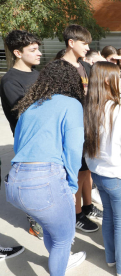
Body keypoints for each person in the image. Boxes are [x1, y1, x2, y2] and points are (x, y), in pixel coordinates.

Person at [5, 60, 87, 275]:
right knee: (63, 239)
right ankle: (60, 264)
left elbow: (18, 145)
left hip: (15, 182)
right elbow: (73, 150)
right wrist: (71, 186)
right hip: (45, 181)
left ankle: (60, 261)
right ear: (71, 82)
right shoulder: (71, 105)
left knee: (51, 227)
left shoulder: (29, 105)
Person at [84, 62, 121, 275]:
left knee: (109, 216)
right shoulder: (119, 111)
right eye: (119, 76)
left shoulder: (89, 107)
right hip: (118, 175)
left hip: (98, 173)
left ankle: (111, 257)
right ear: (108, 81)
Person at [0, 29, 44, 240]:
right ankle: (34, 221)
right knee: (33, 186)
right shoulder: (10, 81)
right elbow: (23, 115)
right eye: (33, 49)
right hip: (28, 143)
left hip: (47, 140)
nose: (39, 53)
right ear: (18, 53)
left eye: (38, 48)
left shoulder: (38, 74)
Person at [61, 24, 103, 233]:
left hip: (86, 129)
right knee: (76, 174)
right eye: (84, 43)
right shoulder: (60, 69)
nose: (88, 47)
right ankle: (76, 214)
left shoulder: (83, 67)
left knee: (86, 172)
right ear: (71, 43)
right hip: (71, 131)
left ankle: (87, 207)